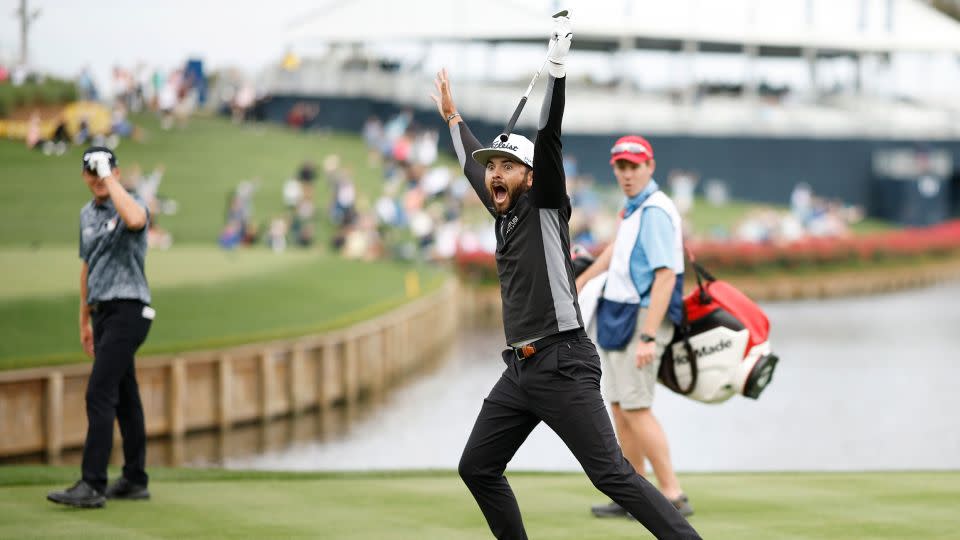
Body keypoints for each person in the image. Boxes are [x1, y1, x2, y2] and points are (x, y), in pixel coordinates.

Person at [429, 15, 700, 540]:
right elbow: (469, 163)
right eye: (494, 168)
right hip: (520, 371)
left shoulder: (545, 203)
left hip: (563, 361)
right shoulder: (503, 210)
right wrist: (453, 119)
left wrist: (556, 71)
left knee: (611, 474)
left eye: (506, 167)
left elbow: (548, 136)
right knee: (477, 468)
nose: (494, 174)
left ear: (529, 176)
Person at [574, 135, 694, 519]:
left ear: (650, 167)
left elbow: (664, 277)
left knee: (637, 407)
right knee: (620, 406)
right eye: (621, 167)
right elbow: (615, 251)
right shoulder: (634, 207)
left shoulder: (656, 210)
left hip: (643, 316)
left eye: (634, 166)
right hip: (619, 311)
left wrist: (647, 335)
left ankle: (672, 494)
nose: (626, 174)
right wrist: (582, 280)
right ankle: (634, 492)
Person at [47, 147, 154, 509]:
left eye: (103, 172)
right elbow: (86, 265)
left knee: (99, 393)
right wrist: (84, 319)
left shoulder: (131, 202)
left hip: (130, 308)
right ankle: (135, 479)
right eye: (91, 173)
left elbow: (136, 220)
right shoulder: (85, 215)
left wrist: (109, 177)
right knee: (125, 395)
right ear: (83, 177)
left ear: (116, 173)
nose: (96, 179)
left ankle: (93, 483)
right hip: (102, 313)